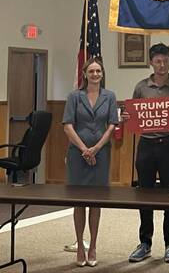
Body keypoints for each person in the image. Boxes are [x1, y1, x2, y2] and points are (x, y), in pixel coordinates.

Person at [122, 43, 169, 264]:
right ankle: (145, 242)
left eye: (165, 61)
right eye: (158, 61)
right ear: (151, 62)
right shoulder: (141, 87)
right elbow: (132, 115)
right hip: (146, 146)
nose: (162, 65)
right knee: (145, 195)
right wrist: (126, 117)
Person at [62, 57, 119, 267]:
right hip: (78, 154)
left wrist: (95, 148)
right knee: (78, 202)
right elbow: (68, 126)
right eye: (91, 71)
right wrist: (84, 149)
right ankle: (80, 246)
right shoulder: (74, 97)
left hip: (101, 154)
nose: (95, 74)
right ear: (85, 74)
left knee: (96, 202)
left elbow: (112, 125)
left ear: (102, 74)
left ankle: (93, 246)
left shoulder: (110, 96)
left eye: (98, 71)